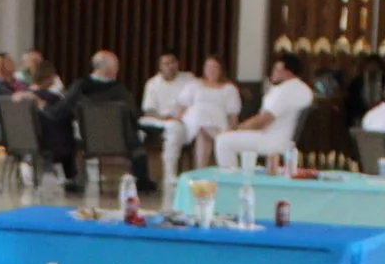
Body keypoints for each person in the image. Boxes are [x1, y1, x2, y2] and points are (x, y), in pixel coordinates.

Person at [46, 49, 146, 190]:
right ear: (109, 69)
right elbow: (133, 115)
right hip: (121, 142)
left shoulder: (79, 87)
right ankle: (142, 181)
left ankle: (74, 177)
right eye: (116, 66)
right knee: (138, 139)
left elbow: (59, 111)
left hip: (87, 140)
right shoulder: (120, 90)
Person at [214, 54, 312, 170]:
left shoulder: (285, 90)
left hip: (272, 140)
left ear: (288, 73)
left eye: (276, 69)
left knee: (223, 140)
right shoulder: (304, 89)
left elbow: (263, 120)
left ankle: (231, 177)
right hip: (285, 139)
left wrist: (235, 129)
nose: (272, 73)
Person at [140, 51, 197, 184]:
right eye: (166, 63)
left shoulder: (189, 80)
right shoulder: (152, 83)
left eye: (173, 62)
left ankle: (169, 174)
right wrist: (162, 117)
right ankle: (138, 174)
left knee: (175, 129)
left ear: (178, 64)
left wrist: (178, 116)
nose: (170, 66)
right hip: (158, 120)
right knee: (135, 127)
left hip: (181, 120)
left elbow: (196, 103)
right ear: (160, 66)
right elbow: (148, 110)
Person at [181, 55, 244, 170]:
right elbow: (183, 105)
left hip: (217, 122)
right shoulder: (194, 84)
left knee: (202, 131)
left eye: (214, 67)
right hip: (194, 120)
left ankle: (200, 170)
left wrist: (233, 129)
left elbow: (233, 114)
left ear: (221, 70)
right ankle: (221, 139)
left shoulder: (229, 89)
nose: (211, 70)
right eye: (208, 67)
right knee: (200, 119)